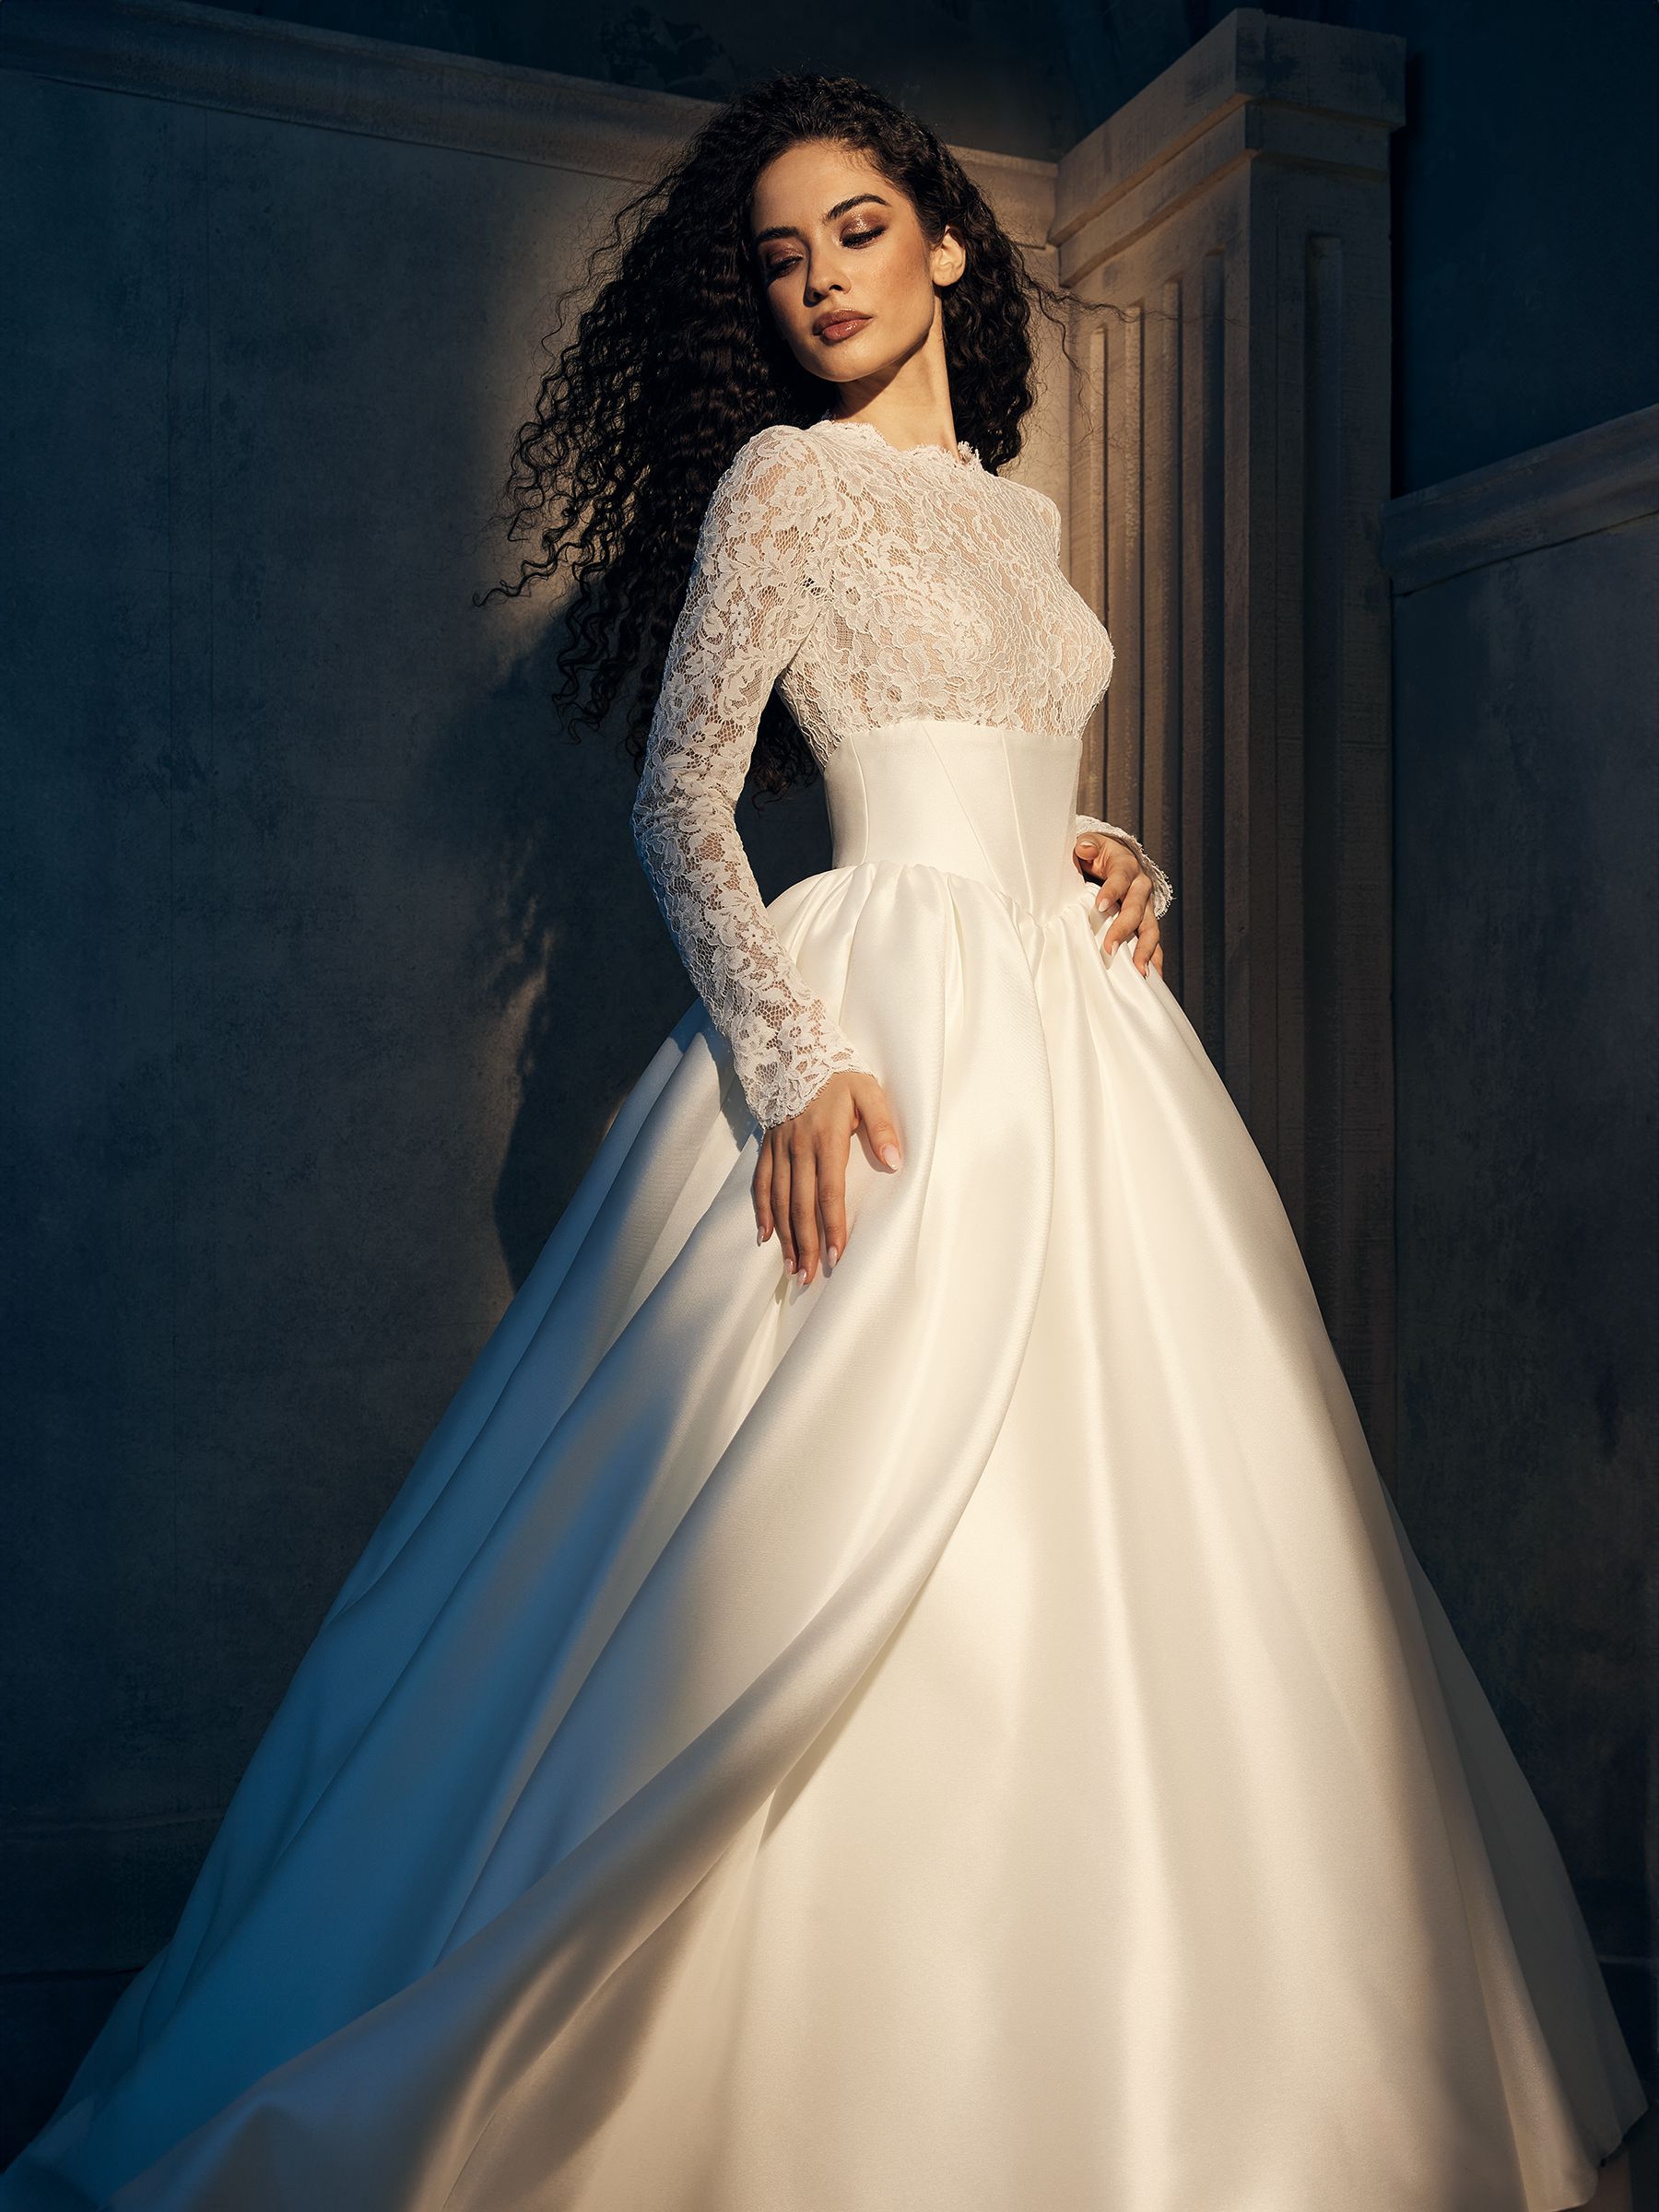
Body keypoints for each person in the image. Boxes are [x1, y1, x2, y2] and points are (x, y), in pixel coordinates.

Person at [4, 70, 1645, 2212]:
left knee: (1161, 1524)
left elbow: (997, 750)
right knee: (828, 1514)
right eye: (781, 259)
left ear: (946, 242)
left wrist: (1103, 843)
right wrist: (789, 1060)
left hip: (1080, 1034)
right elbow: (683, 795)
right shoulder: (784, 481)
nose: (821, 282)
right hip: (885, 1023)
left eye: (857, 231)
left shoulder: (1020, 522)